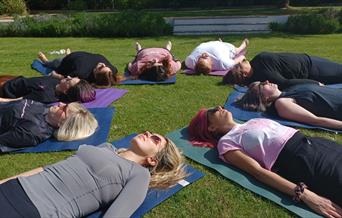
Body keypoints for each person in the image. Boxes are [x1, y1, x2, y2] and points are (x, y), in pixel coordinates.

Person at [188, 106, 342, 217]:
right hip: (303, 161)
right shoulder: (226, 143)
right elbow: (258, 172)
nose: (219, 107)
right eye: (213, 111)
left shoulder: (251, 121)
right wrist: (306, 195)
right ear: (211, 128)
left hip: (318, 144)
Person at [0, 131, 187, 217]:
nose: (147, 133)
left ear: (153, 160)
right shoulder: (107, 147)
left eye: (155, 139)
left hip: (37, 210)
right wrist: (6, 180)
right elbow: (47, 168)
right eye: (150, 132)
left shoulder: (139, 175)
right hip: (16, 187)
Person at [235, 80, 342, 130]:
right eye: (263, 85)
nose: (267, 81)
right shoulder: (282, 104)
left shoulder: (289, 90)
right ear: (263, 98)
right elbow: (315, 120)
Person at [0, 99, 98, 152]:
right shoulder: (47, 109)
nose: (60, 103)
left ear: (63, 124)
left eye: (64, 108)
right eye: (66, 103)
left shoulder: (33, 132)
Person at [223, 51, 342, 90]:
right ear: (245, 74)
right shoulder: (264, 72)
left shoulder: (259, 60)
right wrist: (315, 83)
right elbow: (285, 83)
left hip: (309, 61)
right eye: (241, 66)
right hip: (312, 70)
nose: (242, 61)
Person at [38, 51, 121, 87]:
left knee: (54, 63)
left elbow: (66, 79)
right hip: (79, 56)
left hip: (66, 61)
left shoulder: (82, 74)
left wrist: (55, 75)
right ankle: (69, 54)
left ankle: (46, 61)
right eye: (106, 66)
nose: (103, 64)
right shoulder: (111, 71)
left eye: (101, 68)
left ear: (95, 75)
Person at [0, 75, 95, 103]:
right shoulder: (58, 83)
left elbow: (18, 101)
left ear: (66, 91)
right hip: (16, 80)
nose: (68, 77)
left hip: (5, 89)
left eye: (69, 81)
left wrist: (1, 100)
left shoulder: (44, 95)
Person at [185, 38, 249, 75]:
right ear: (212, 64)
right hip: (226, 47)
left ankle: (220, 42)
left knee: (235, 50)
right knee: (236, 51)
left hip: (211, 43)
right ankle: (242, 46)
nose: (204, 55)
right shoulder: (222, 62)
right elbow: (241, 57)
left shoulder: (190, 61)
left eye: (201, 57)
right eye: (206, 58)